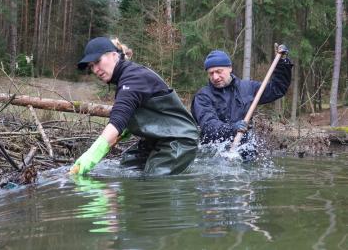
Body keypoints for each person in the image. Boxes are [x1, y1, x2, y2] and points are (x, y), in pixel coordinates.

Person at [70, 37, 199, 175]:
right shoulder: (125, 77)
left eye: (97, 62)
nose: (95, 70)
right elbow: (137, 112)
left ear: (114, 55)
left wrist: (91, 156)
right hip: (157, 138)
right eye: (91, 66)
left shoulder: (133, 78)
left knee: (153, 181)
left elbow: (118, 119)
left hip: (180, 139)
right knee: (127, 166)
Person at [191, 45, 293, 148]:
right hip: (215, 154)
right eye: (211, 73)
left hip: (244, 152)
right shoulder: (202, 97)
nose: (215, 77)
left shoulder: (248, 88)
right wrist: (232, 129)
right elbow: (209, 126)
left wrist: (282, 63)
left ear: (229, 68)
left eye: (218, 71)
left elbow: (277, 89)